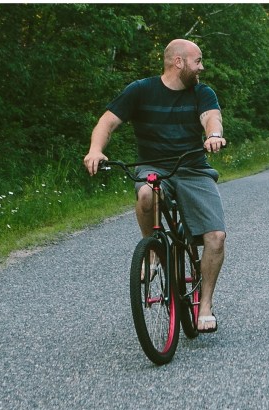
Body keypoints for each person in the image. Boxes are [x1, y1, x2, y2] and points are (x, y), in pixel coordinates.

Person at [84, 39, 227, 333]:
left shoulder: (202, 92)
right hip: (153, 166)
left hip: (193, 168)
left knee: (215, 237)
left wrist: (213, 134)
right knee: (146, 195)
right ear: (178, 62)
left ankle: (206, 305)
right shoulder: (141, 90)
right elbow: (106, 123)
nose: (202, 67)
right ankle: (152, 252)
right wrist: (96, 150)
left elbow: (211, 117)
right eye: (197, 61)